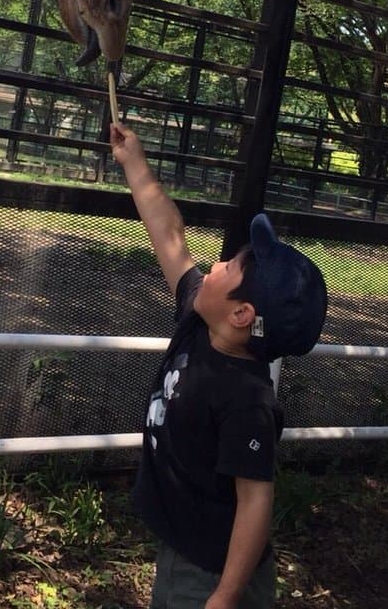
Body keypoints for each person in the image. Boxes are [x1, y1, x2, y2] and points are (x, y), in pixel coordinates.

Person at [109, 122, 328, 609]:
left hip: (213, 572)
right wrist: (134, 162)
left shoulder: (246, 401)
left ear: (241, 314)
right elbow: (168, 233)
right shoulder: (198, 320)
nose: (215, 264)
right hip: (182, 549)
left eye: (230, 267)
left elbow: (255, 501)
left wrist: (226, 595)